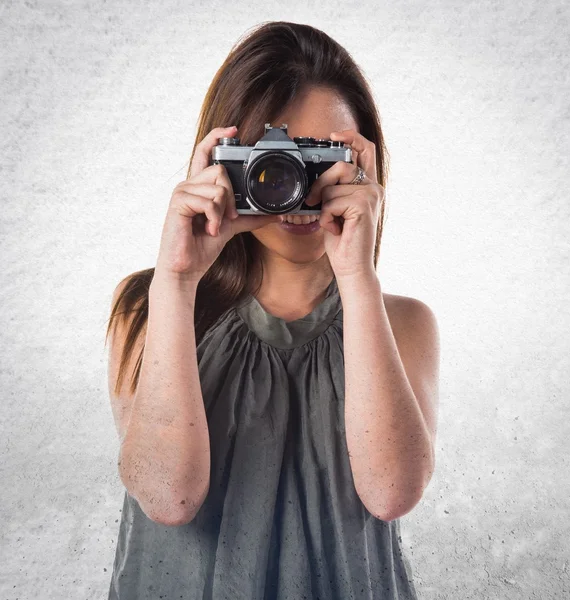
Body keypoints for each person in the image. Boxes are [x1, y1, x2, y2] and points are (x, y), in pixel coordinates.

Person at [105, 20, 440, 600]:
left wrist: (357, 277)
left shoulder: (404, 323)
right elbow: (169, 497)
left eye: (323, 158)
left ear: (366, 167)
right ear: (222, 159)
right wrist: (178, 282)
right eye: (273, 159)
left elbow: (390, 493)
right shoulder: (147, 305)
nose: (300, 186)